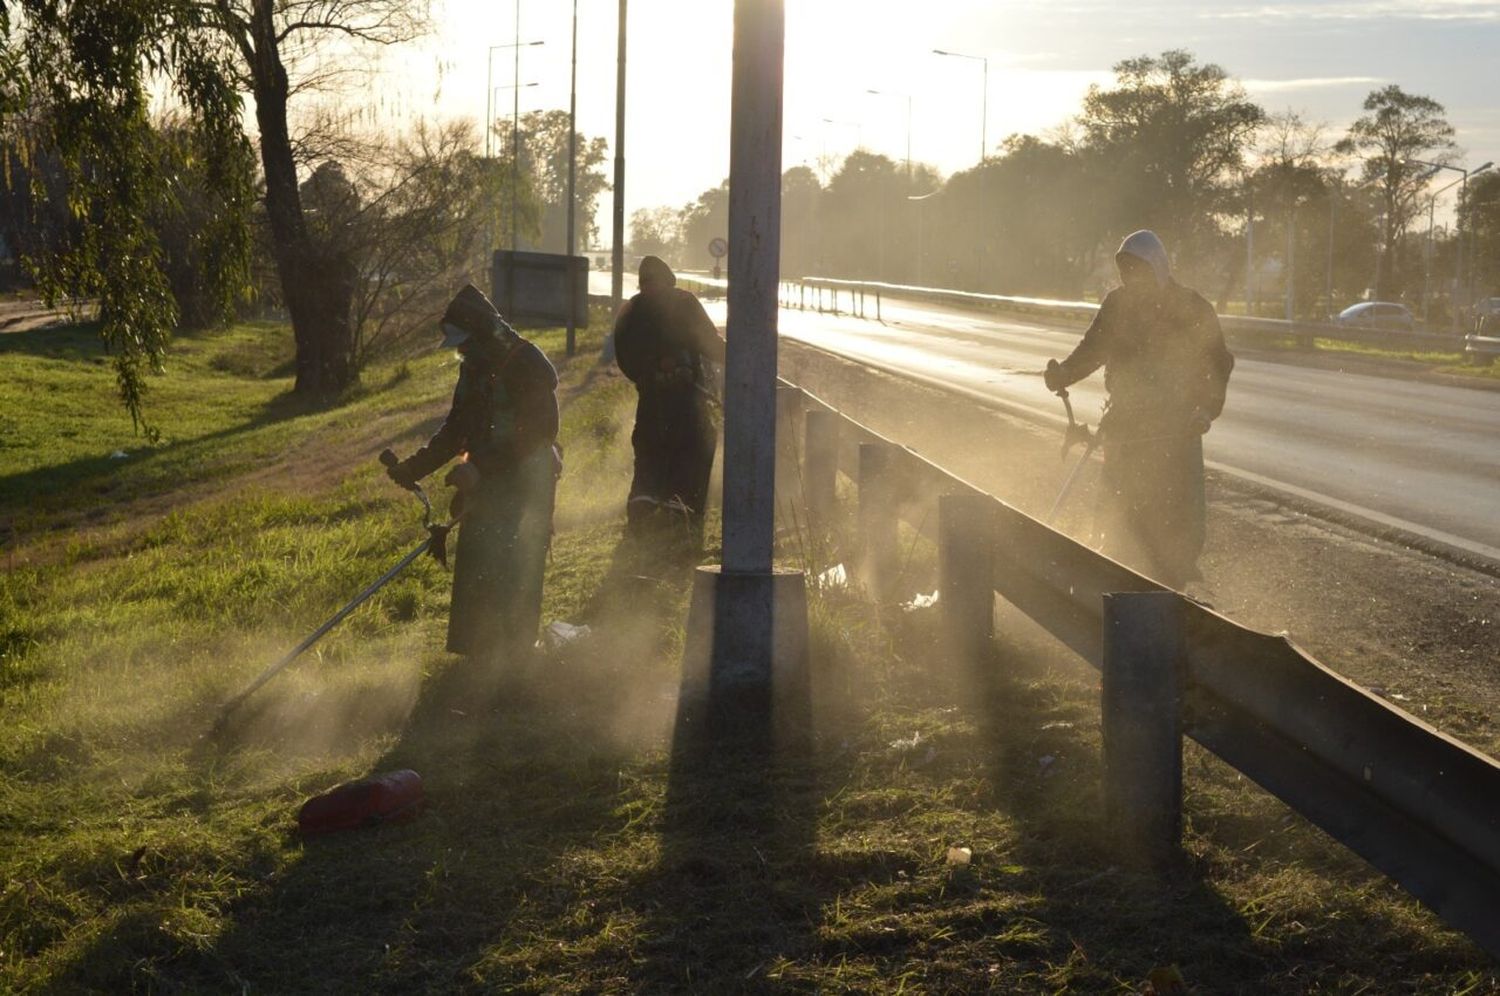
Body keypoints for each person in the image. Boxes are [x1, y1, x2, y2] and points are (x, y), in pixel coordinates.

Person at [1043, 230, 1235, 588]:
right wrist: (1064, 374)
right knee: (1117, 503)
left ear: (1158, 269)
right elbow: (1093, 349)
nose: (1132, 280)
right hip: (1125, 425)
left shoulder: (1193, 308)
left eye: (1139, 271)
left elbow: (1217, 364)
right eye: (1126, 272)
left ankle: (1175, 581)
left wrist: (1206, 410)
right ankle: (1114, 570)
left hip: (1177, 430)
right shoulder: (1118, 305)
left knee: (1177, 511)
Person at [385, 284, 560, 663]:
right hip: (487, 477)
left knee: (515, 560)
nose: (461, 350)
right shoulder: (474, 369)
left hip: (528, 478)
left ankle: (513, 656)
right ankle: (478, 650)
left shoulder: (526, 362)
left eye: (465, 342)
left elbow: (540, 433)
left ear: (483, 332)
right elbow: (455, 428)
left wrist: (481, 468)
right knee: (478, 558)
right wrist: (414, 466)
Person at [612, 256, 726, 537]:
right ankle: (683, 509)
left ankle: (644, 507)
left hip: (651, 399)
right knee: (696, 445)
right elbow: (708, 342)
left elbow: (624, 356)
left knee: (649, 450)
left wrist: (646, 377)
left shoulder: (632, 309)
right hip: (686, 399)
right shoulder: (685, 303)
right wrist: (736, 359)